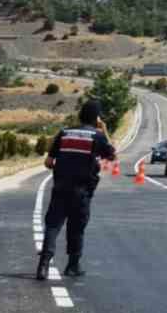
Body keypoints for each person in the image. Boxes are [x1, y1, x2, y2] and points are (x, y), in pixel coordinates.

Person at [37, 99, 117, 280]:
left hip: (60, 188)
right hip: (81, 191)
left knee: (53, 225)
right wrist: (103, 129)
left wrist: (63, 167)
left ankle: (43, 265)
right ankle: (73, 266)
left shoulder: (64, 133)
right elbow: (112, 155)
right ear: (96, 118)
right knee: (76, 228)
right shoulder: (97, 136)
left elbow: (48, 162)